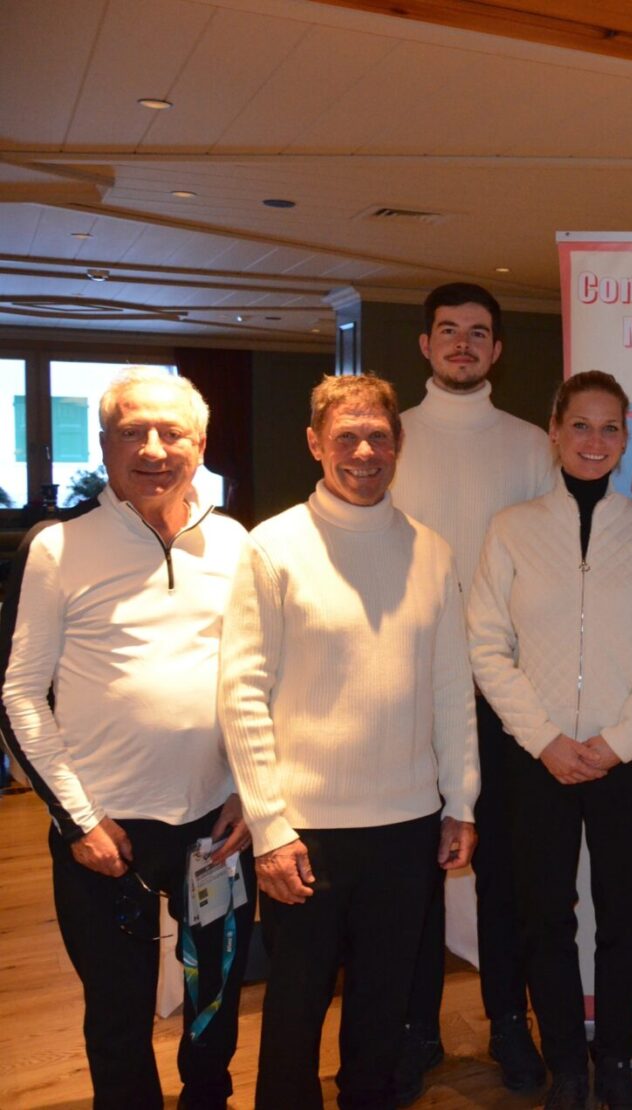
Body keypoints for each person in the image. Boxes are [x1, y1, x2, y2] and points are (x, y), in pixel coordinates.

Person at [220, 374, 479, 1110]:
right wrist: (268, 829)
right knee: (295, 1012)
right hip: (305, 835)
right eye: (346, 437)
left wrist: (459, 802)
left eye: (378, 437)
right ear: (314, 443)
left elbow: (451, 690)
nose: (363, 452)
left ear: (398, 444)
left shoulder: (431, 550)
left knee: (382, 1010)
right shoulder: (272, 547)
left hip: (406, 827)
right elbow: (240, 693)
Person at [0, 368, 254, 1110]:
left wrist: (248, 787)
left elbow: (255, 679)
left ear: (199, 443)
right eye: (131, 432)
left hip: (216, 824)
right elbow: (17, 693)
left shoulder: (236, 544)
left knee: (217, 1001)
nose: (152, 448)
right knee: (117, 1016)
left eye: (171, 432)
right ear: (106, 446)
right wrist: (78, 820)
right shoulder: (57, 549)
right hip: (105, 832)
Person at [469, 370, 632, 1110]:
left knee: (625, 917)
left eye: (610, 429)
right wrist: (544, 740)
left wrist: (619, 740)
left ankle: (615, 1058)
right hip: (535, 762)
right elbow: (486, 647)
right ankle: (567, 1063)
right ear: (556, 430)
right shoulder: (512, 528)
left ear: (625, 439)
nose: (595, 442)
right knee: (545, 918)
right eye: (581, 426)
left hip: (622, 760)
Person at [390, 282, 553, 1099]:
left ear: (496, 351)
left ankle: (508, 1027)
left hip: (500, 697)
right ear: (425, 345)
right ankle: (416, 1029)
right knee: (413, 871)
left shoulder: (529, 445)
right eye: (447, 331)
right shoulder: (391, 441)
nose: (462, 344)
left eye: (478, 333)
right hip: (409, 695)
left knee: (506, 879)